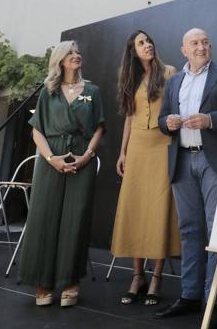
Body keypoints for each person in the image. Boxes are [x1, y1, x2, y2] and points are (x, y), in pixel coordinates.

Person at [155, 28, 217, 328]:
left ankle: (213, 302)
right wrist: (166, 121)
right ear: (184, 50)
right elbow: (162, 120)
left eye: (205, 41)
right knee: (189, 229)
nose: (201, 46)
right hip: (182, 159)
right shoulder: (174, 81)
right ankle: (190, 296)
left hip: (212, 159)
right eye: (195, 43)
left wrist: (210, 119)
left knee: (216, 233)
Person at [18, 40, 104, 307]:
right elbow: (37, 130)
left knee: (74, 221)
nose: (76, 55)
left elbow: (99, 127)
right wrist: (51, 158)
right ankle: (43, 281)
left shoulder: (92, 91)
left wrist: (86, 157)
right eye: (70, 53)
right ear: (60, 60)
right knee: (44, 217)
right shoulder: (48, 91)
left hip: (82, 157)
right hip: (51, 158)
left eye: (78, 52)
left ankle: (70, 281)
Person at [111, 30, 181, 306]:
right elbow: (129, 117)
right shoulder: (130, 79)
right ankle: (137, 275)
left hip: (163, 144)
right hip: (138, 147)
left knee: (158, 210)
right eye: (141, 43)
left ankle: (157, 277)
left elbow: (177, 106)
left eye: (149, 40)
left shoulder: (170, 72)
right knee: (137, 208)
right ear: (133, 51)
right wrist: (122, 152)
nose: (147, 45)